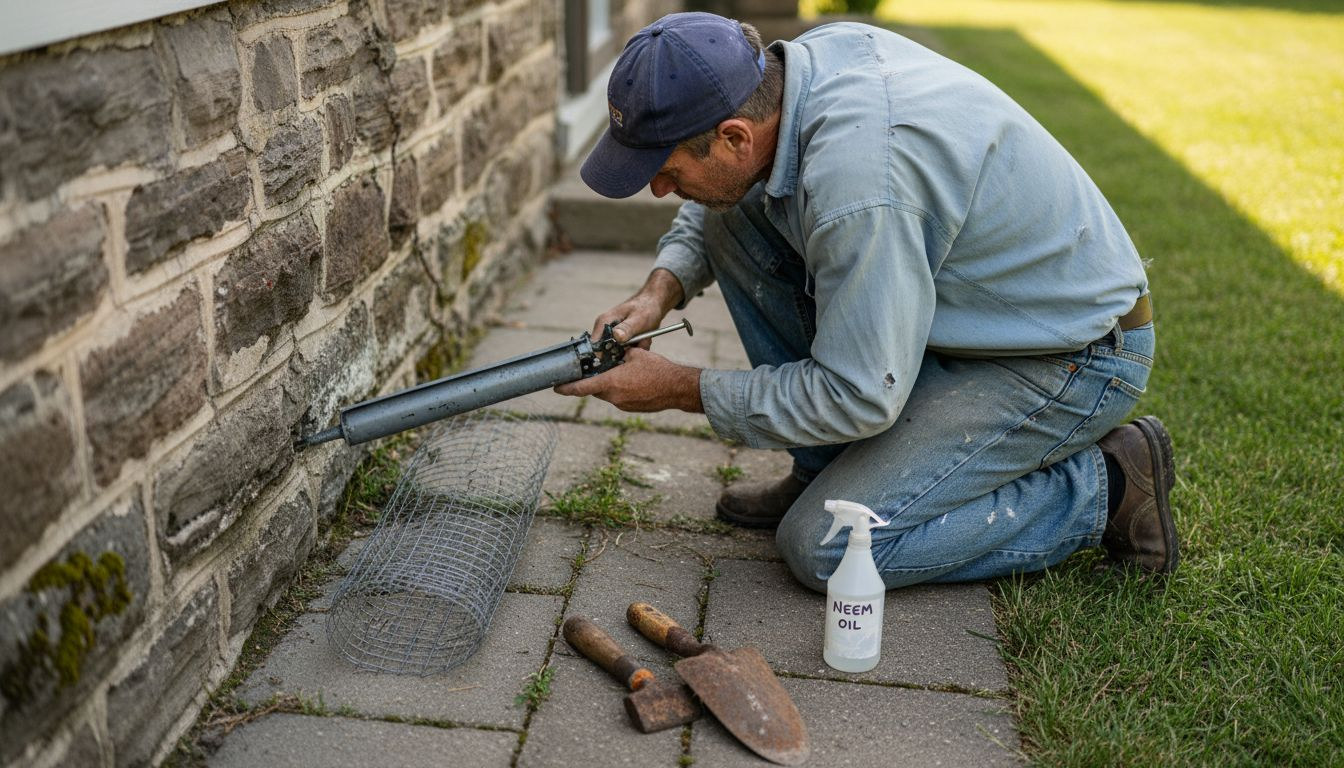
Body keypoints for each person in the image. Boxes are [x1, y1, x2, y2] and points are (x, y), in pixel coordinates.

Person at [554, 12, 1179, 591]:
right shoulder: (800, 70)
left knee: (824, 549)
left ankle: (1108, 487)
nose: (660, 189)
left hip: (1067, 357)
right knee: (728, 214)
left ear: (735, 136)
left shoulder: (859, 184)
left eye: (664, 169)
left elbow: (859, 393)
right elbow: (712, 204)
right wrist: (657, 291)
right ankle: (825, 466)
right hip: (972, 322)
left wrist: (679, 388)